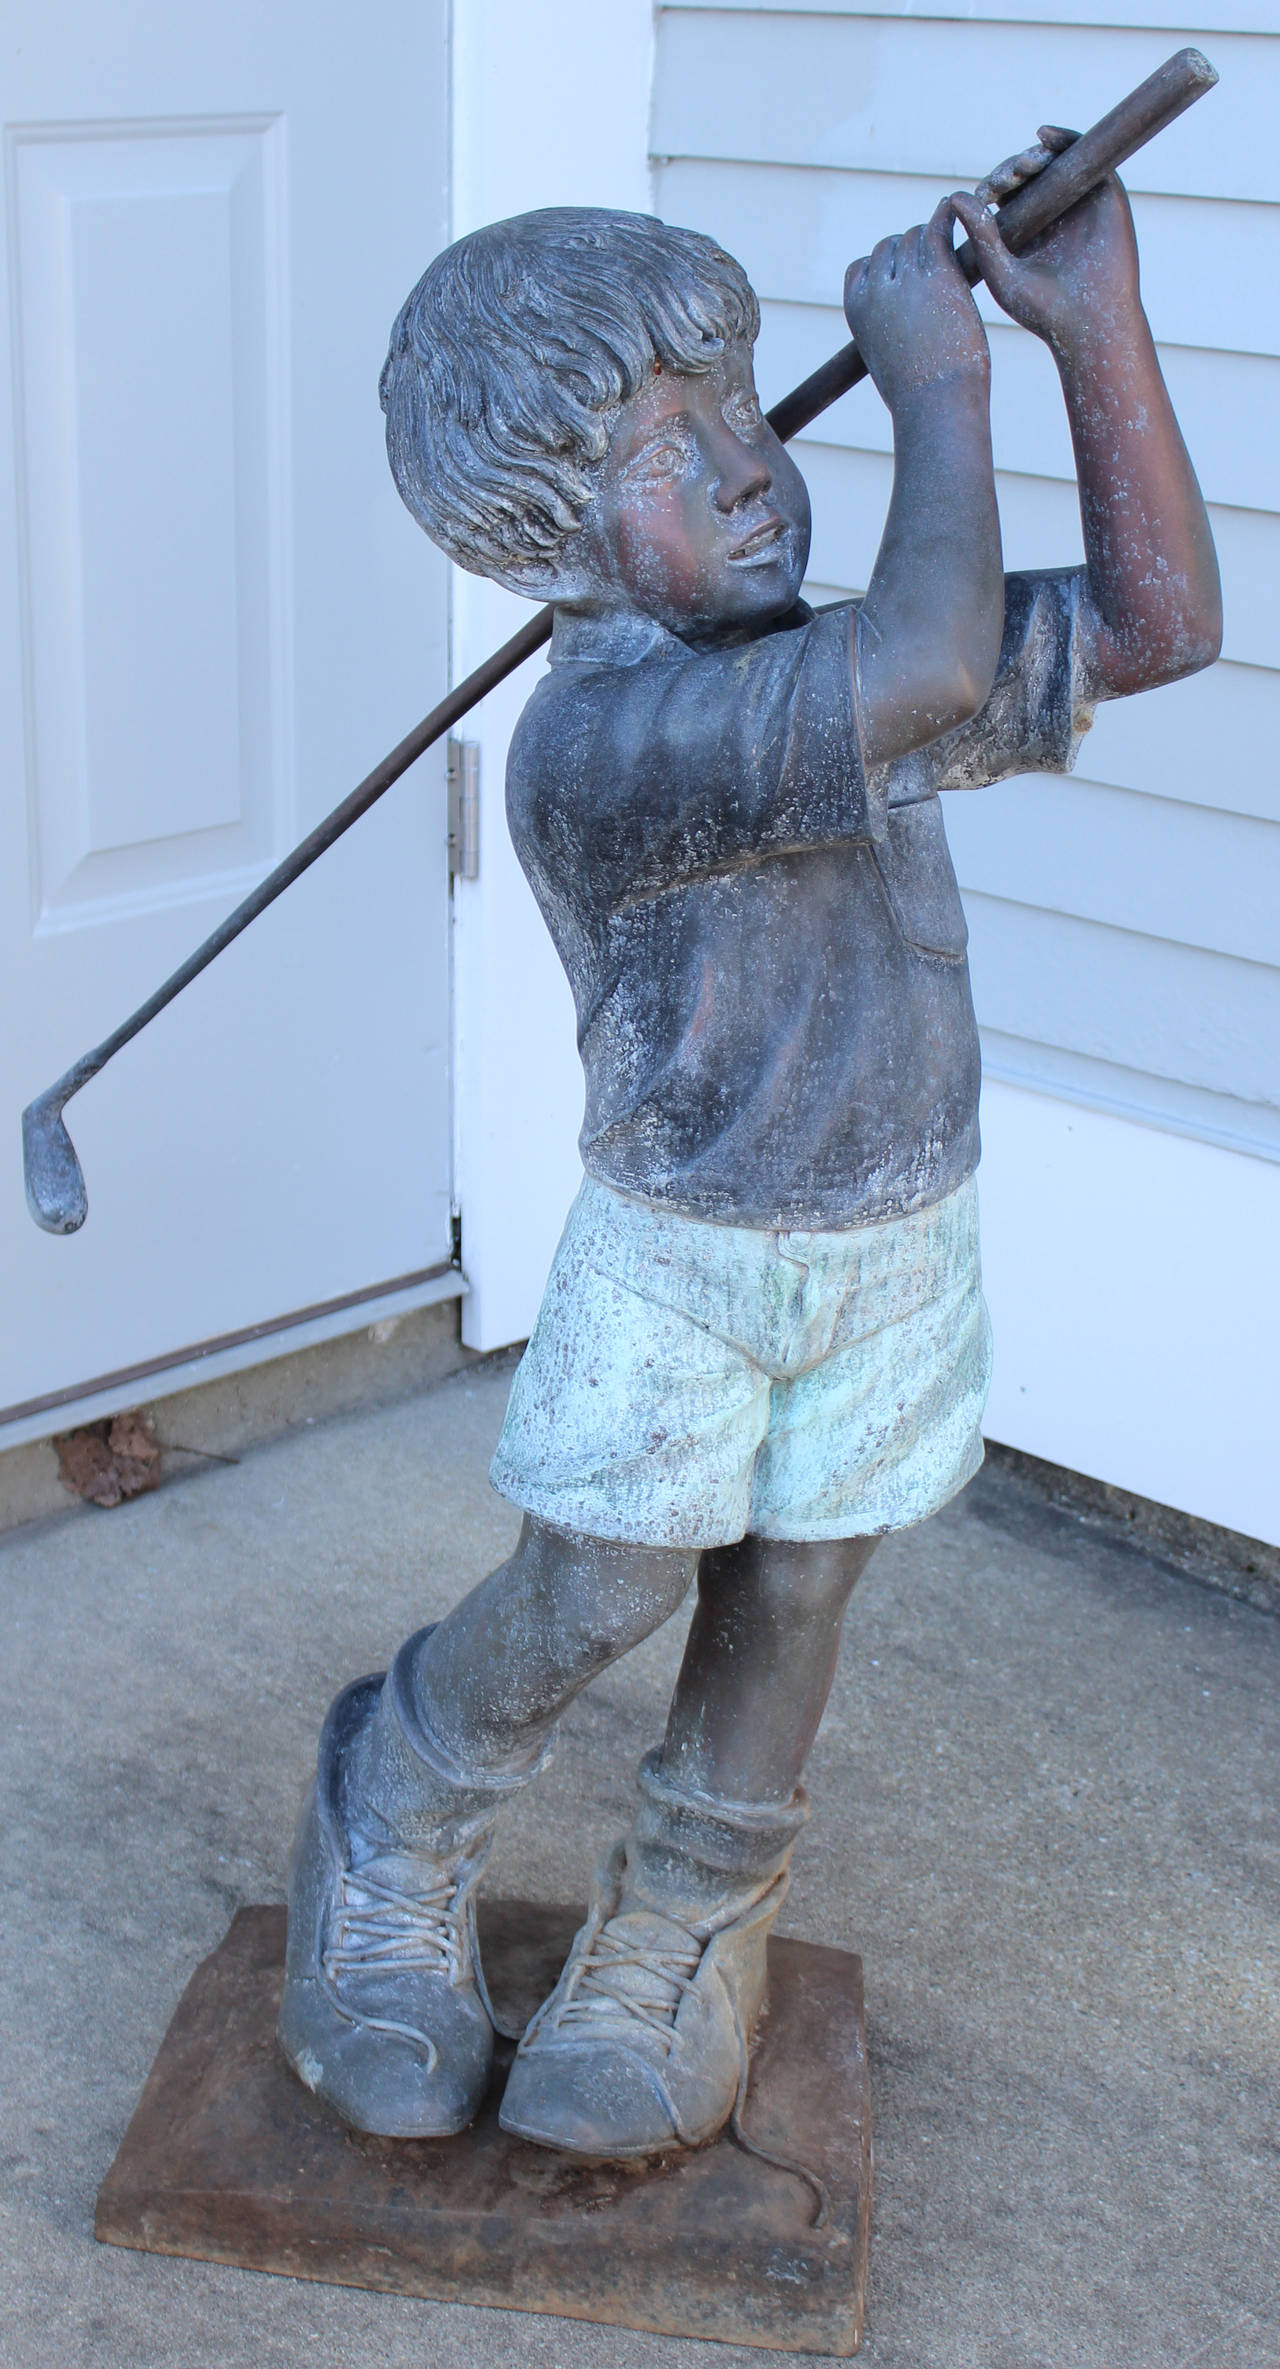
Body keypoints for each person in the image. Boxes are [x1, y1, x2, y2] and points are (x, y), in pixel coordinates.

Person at [278, 144, 1221, 2155]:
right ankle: (393, 1803)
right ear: (546, 538)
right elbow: (927, 664)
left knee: (796, 1592)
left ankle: (690, 1920)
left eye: (734, 400)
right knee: (601, 1581)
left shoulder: (840, 668)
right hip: (689, 1253)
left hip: (897, 1232)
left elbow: (1157, 623)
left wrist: (1095, 329)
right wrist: (938, 382)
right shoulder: (605, 743)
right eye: (660, 446)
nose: (745, 466)